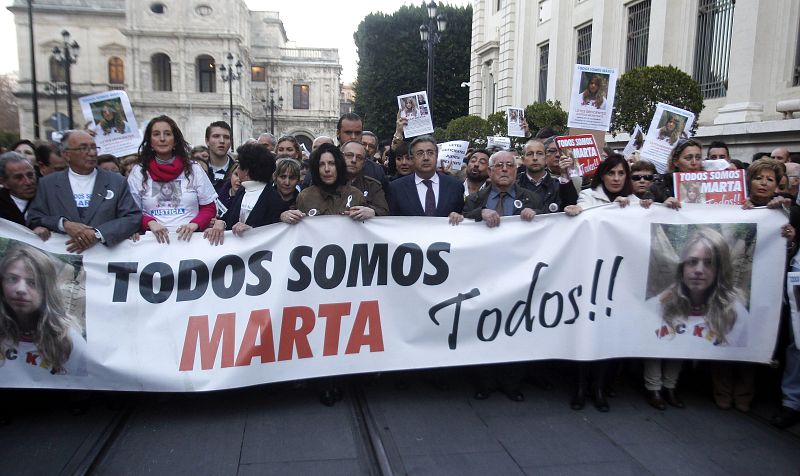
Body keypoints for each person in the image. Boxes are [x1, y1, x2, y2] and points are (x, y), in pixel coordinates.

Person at [565, 154, 651, 412]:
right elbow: (584, 218)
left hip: (620, 280)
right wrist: (578, 211)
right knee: (585, 332)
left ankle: (600, 388)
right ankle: (581, 387)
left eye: (621, 174)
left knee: (607, 335)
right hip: (589, 275)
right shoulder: (589, 197)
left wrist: (642, 208)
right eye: (611, 173)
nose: (616, 179)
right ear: (602, 175)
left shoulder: (638, 203)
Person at [27, 130, 141, 253]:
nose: (91, 153)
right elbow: (34, 217)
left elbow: (132, 217)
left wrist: (97, 234)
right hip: (64, 258)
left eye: (93, 147)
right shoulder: (47, 184)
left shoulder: (117, 182)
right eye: (83, 148)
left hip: (103, 261)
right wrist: (64, 224)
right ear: (66, 154)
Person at [127, 115, 217, 243]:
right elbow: (131, 211)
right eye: (156, 134)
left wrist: (194, 224)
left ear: (175, 141)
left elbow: (209, 207)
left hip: (191, 242)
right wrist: (150, 223)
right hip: (151, 244)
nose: (162, 139)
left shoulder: (194, 169)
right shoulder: (138, 172)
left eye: (167, 134)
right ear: (150, 141)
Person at [0, 244, 86, 375]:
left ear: (47, 289)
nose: (20, 289)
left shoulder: (69, 339)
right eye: (12, 279)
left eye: (32, 282)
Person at [204, 143, 289, 245]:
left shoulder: (273, 198)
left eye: (239, 166)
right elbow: (230, 217)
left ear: (247, 171)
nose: (237, 169)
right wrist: (221, 223)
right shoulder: (242, 191)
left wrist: (252, 231)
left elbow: (274, 231)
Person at [281, 143, 369, 226]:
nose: (327, 169)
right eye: (321, 164)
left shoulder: (356, 195)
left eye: (331, 163)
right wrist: (284, 216)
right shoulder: (305, 196)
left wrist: (372, 215)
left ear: (339, 166)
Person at [388, 135, 464, 220]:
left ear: (437, 156)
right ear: (412, 158)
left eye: (430, 153)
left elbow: (463, 215)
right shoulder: (396, 188)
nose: (426, 158)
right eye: (420, 153)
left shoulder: (455, 186)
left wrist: (459, 216)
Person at [518, 138, 578, 213]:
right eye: (530, 154)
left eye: (539, 153)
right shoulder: (514, 185)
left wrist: (565, 174)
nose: (535, 158)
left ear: (546, 158)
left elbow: (571, 206)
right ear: (523, 160)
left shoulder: (559, 185)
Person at [342, 141, 389, 216]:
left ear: (364, 163)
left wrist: (373, 212)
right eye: (349, 155)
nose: (354, 160)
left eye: (359, 157)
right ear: (341, 157)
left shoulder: (373, 186)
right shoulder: (329, 183)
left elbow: (384, 211)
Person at [0, 152, 39, 228]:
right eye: (18, 177)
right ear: (4, 182)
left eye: (30, 175)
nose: (28, 182)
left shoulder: (49, 197)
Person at [205, 121, 235, 193]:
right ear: (207, 141)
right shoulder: (197, 169)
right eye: (216, 136)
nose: (222, 141)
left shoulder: (238, 170)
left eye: (226, 137)